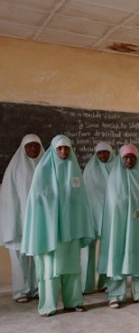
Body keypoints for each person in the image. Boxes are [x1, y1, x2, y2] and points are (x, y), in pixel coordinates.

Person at [21, 135, 94, 316]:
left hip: (70, 231)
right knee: (50, 269)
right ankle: (48, 305)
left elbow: (82, 201)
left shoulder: (74, 170)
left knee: (72, 268)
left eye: (66, 148)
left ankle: (74, 301)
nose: (63, 152)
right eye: (60, 148)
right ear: (53, 149)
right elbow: (36, 200)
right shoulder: (43, 171)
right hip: (49, 231)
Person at [98, 144, 139, 308]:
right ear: (120, 158)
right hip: (119, 225)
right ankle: (116, 295)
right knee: (117, 255)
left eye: (133, 157)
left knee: (137, 254)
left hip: (137, 224)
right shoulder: (114, 177)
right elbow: (113, 204)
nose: (129, 160)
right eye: (126, 157)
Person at [0, 134, 43, 303]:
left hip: (39, 219)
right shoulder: (15, 168)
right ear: (23, 148)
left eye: (36, 146)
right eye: (30, 146)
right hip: (19, 220)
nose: (33, 149)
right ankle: (21, 292)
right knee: (20, 256)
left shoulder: (45, 165)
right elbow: (9, 197)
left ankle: (37, 288)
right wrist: (14, 220)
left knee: (39, 255)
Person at [81, 141, 116, 294]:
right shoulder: (89, 169)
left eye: (106, 152)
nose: (103, 155)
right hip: (91, 215)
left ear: (111, 153)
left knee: (108, 250)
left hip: (111, 215)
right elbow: (85, 193)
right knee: (88, 250)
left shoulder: (117, 168)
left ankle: (106, 283)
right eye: (100, 153)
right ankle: (85, 285)